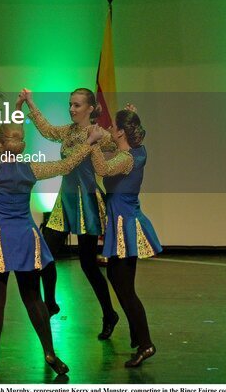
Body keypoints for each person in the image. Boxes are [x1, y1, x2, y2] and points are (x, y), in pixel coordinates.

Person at [0, 122, 106, 382]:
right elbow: (66, 165)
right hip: (25, 239)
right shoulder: (32, 169)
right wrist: (89, 143)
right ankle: (49, 353)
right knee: (33, 299)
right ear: (22, 145)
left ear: (0, 144)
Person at [18, 87, 120, 339]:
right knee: (45, 254)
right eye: (70, 105)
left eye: (77, 105)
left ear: (91, 109)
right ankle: (51, 303)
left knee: (88, 265)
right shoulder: (68, 131)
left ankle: (109, 313)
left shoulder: (100, 134)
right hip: (65, 201)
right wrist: (29, 102)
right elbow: (47, 129)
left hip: (86, 201)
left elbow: (121, 142)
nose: (72, 109)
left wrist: (129, 120)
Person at [89, 105, 160, 367]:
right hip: (125, 218)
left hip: (124, 223)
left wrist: (93, 143)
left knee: (126, 290)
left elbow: (103, 170)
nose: (109, 131)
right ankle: (137, 336)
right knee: (117, 280)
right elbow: (117, 141)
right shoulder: (138, 150)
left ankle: (146, 343)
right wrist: (129, 115)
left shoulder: (127, 158)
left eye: (113, 127)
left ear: (121, 133)